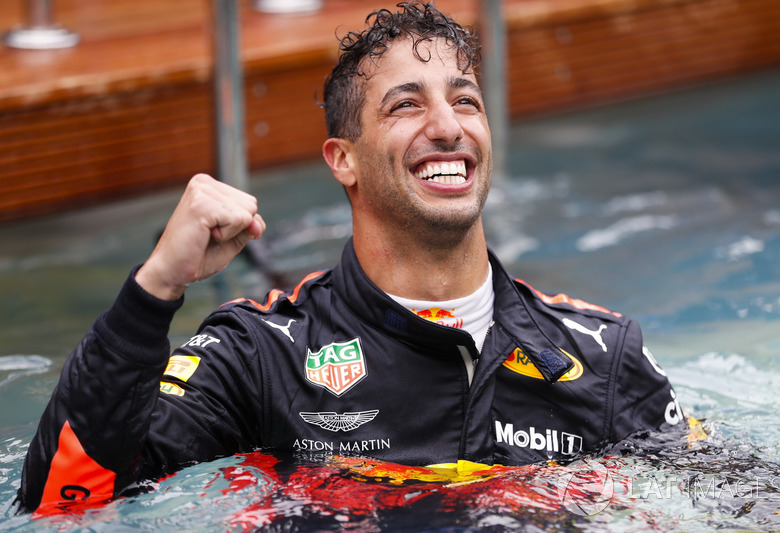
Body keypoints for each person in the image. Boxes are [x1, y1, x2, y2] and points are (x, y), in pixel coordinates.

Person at [17, 1, 683, 514]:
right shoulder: (262, 356)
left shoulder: (602, 357)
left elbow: (739, 504)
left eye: (465, 100)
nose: (448, 127)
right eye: (406, 105)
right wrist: (156, 287)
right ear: (345, 161)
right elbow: (65, 499)